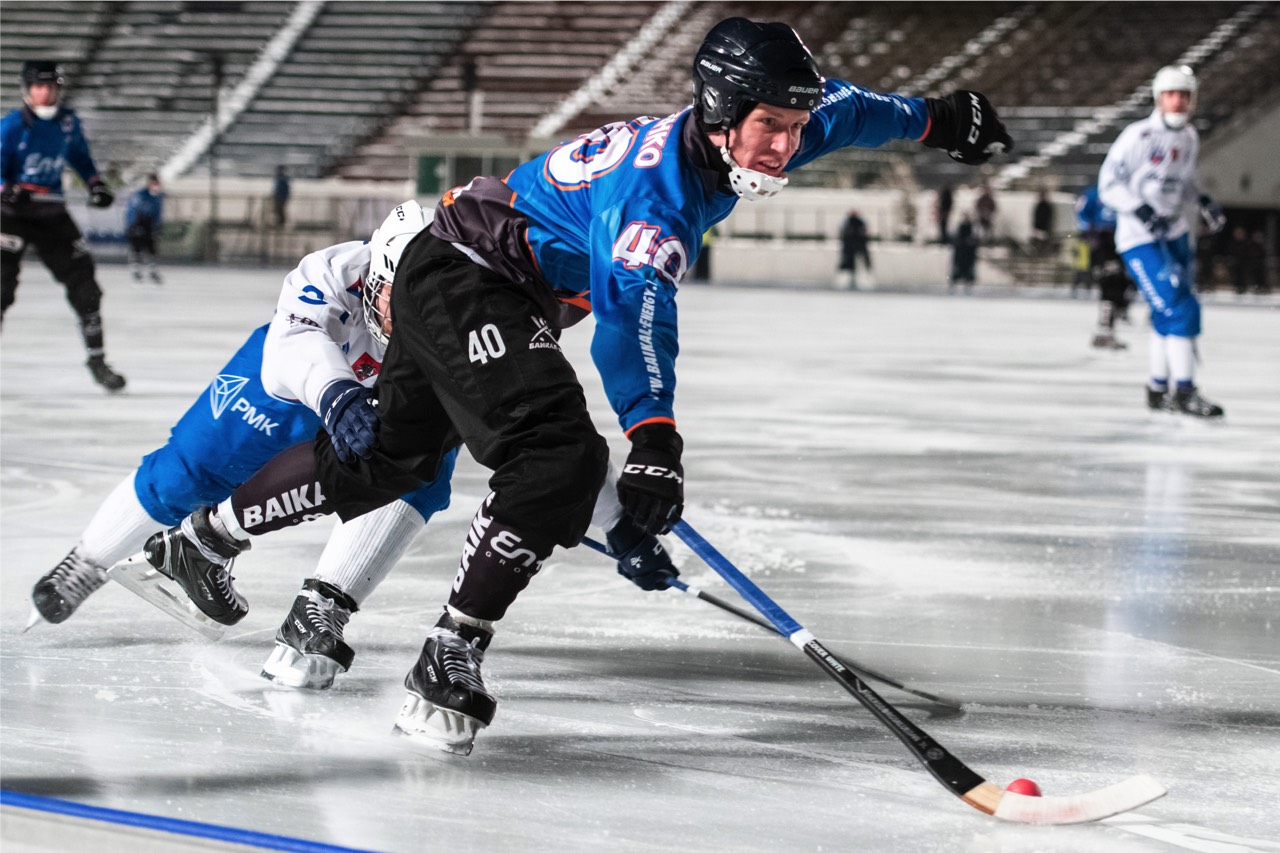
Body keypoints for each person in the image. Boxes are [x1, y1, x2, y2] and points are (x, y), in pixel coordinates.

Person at [124, 18, 1013, 755]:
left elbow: (855, 113)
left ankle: (205, 540)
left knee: (395, 456)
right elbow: (632, 319)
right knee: (556, 454)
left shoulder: (775, 127)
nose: (785, 145)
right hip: (470, 278)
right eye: (770, 129)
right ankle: (449, 655)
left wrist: (941, 119)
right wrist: (654, 445)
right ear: (718, 111)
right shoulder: (653, 193)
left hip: (467, 276)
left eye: (792, 126)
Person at [1099, 65, 1226, 417]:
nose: (1179, 101)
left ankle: (1158, 388)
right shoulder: (1137, 137)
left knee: (1164, 313)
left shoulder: (1188, 136)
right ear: (1159, 97)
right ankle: (1184, 392)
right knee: (1181, 308)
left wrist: (1203, 201)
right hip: (1140, 238)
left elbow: (1183, 180)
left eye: (1185, 95)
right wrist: (1139, 210)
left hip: (1173, 232)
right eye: (1172, 94)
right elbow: (1108, 184)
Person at [1, 60, 124, 391]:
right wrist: (7, 190)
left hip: (52, 216)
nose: (44, 93)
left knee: (86, 287)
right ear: (27, 90)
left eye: (50, 87)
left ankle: (97, 360)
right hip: (10, 216)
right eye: (38, 87)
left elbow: (81, 158)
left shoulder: (68, 124)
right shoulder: (11, 126)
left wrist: (96, 184)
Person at [1075, 184, 1129, 350]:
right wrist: (1091, 235)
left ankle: (1107, 331)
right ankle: (1104, 332)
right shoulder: (1094, 193)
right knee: (1109, 284)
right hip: (1103, 242)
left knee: (1120, 285)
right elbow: (1081, 213)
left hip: (1122, 240)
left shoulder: (1125, 190)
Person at [125, 173, 164, 284]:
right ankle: (136, 270)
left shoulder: (157, 197)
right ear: (149, 183)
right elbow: (133, 210)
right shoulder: (140, 195)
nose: (156, 186)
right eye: (154, 183)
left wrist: (157, 226)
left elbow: (157, 213)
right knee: (136, 248)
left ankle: (153, 271)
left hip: (149, 226)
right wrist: (133, 225)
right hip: (138, 224)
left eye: (157, 184)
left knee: (151, 249)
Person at [836, 208, 871, 290]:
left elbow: (863, 234)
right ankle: (851, 280)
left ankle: (858, 280)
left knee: (854, 263)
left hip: (855, 246)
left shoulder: (858, 223)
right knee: (849, 264)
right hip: (851, 247)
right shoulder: (848, 223)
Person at [948, 215, 979, 293]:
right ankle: (953, 287)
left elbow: (977, 238)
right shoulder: (958, 227)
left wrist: (971, 242)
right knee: (957, 270)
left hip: (969, 254)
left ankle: (969, 287)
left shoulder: (974, 228)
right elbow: (952, 236)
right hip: (960, 253)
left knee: (969, 270)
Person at [1030, 189, 1054, 255]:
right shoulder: (1040, 205)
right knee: (1039, 244)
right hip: (1039, 228)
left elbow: (1047, 218)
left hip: (1043, 229)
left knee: (1042, 244)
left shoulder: (1045, 206)